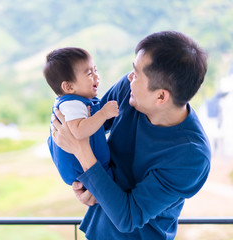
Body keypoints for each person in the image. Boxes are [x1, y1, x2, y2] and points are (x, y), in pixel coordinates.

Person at [51, 31, 211, 239]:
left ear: (161, 96)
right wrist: (85, 183)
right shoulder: (130, 91)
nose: (128, 77)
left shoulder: (191, 156)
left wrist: (81, 152)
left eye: (136, 74)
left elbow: (127, 218)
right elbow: (87, 122)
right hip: (97, 231)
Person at [44, 47, 119, 185]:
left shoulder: (76, 102)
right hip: (85, 171)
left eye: (95, 70)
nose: (97, 76)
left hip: (87, 170)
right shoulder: (72, 104)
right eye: (90, 74)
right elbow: (78, 131)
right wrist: (103, 114)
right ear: (68, 87)